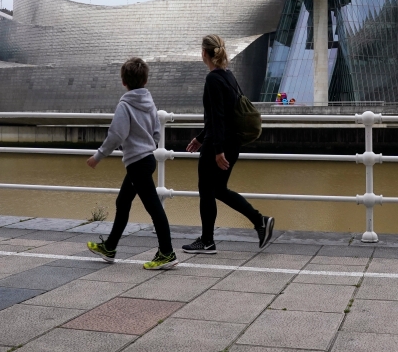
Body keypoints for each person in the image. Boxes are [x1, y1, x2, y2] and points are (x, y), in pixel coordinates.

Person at [183, 34, 275, 254]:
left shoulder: (213, 79)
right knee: (218, 190)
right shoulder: (228, 76)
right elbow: (223, 115)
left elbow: (218, 117)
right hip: (231, 142)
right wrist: (199, 138)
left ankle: (207, 241)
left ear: (204, 53)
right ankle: (259, 221)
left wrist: (216, 149)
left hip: (220, 145)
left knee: (207, 190)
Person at [86, 57, 177, 270]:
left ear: (124, 81)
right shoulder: (150, 102)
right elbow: (156, 133)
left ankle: (167, 252)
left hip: (137, 163)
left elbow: (117, 134)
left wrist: (98, 156)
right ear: (145, 81)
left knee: (154, 208)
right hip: (147, 159)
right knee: (123, 202)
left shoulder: (125, 104)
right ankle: (109, 247)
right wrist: (146, 145)